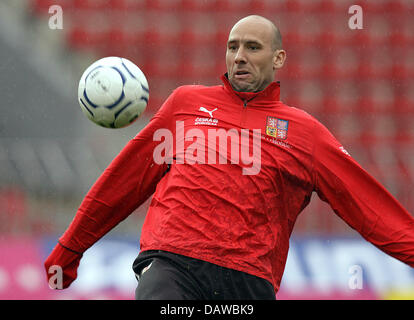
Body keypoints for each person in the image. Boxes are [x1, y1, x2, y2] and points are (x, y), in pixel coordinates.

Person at [44, 15, 414, 300]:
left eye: (253, 47)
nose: (239, 57)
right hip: (172, 261)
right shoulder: (185, 105)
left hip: (247, 278)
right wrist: (71, 246)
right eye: (232, 46)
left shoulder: (306, 134)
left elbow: (369, 207)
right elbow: (126, 179)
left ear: (278, 57)